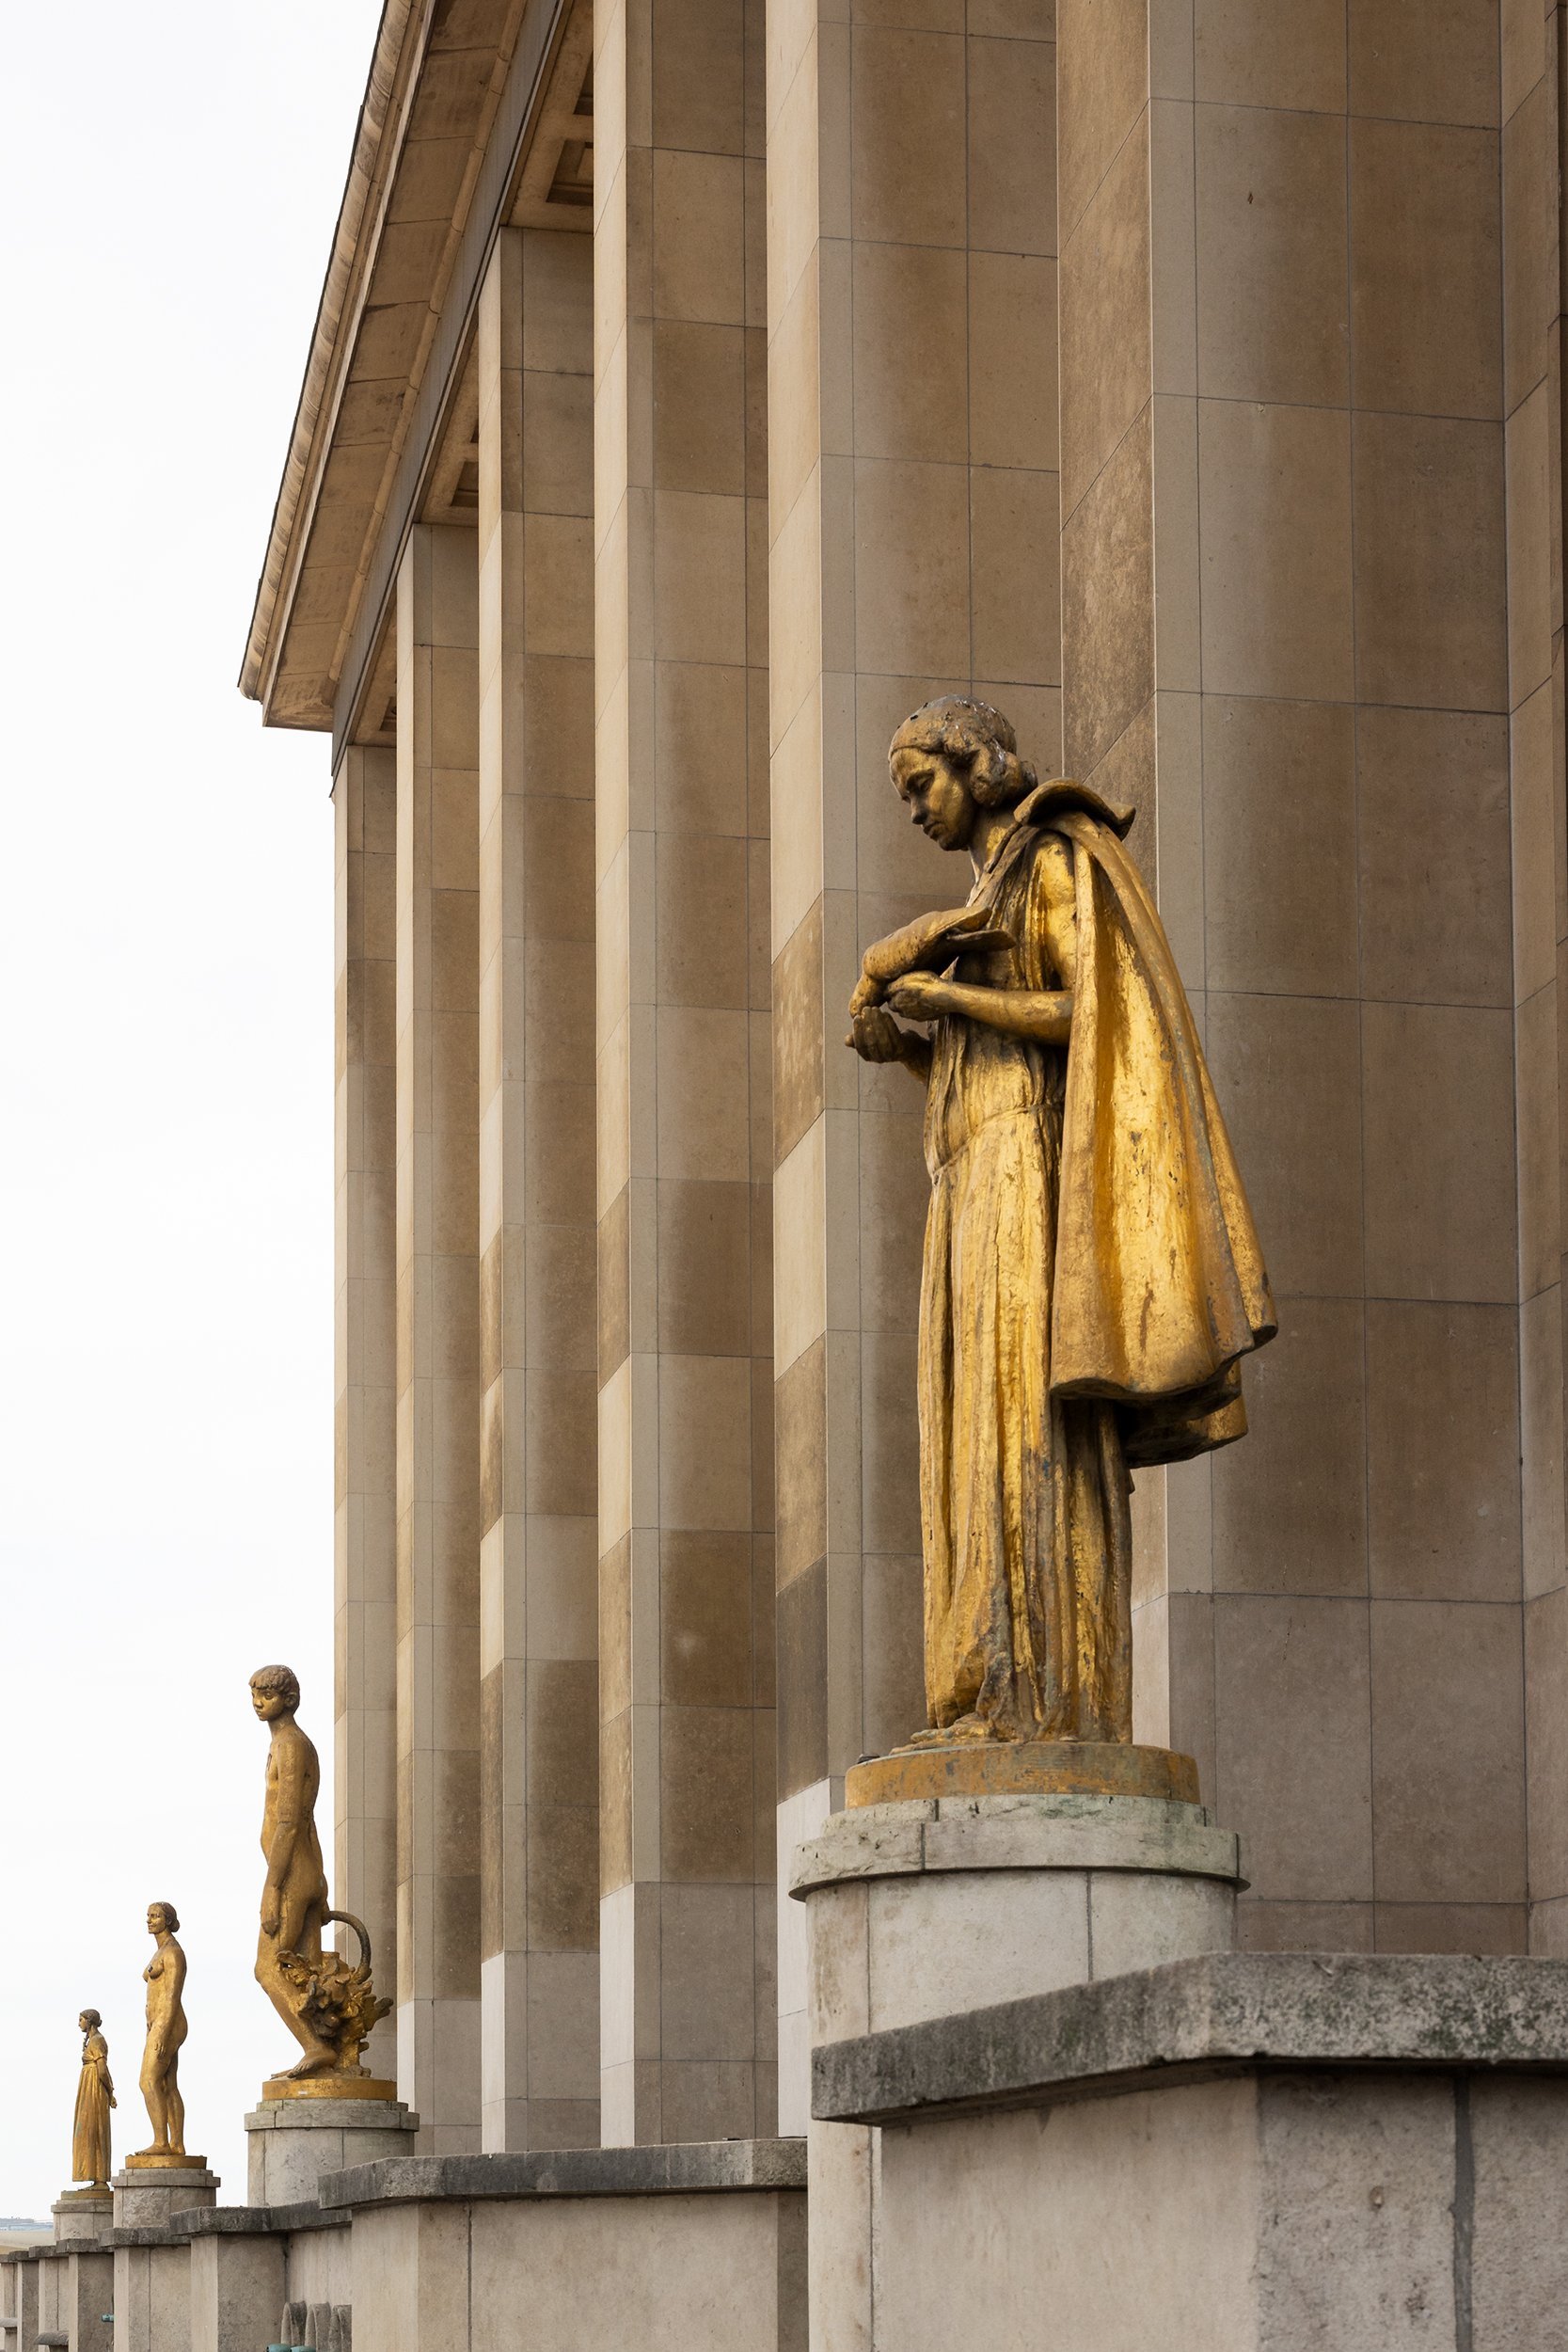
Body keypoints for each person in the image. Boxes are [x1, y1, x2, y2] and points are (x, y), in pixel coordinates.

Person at [848, 697, 1274, 1748]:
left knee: (1019, 1423)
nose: (913, 810)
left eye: (922, 784)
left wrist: (953, 1003)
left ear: (977, 766)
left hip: (1027, 1178)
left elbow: (1090, 1010)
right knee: (966, 1436)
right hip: (966, 1181)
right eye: (904, 795)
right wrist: (908, 1046)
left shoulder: (1048, 860)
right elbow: (987, 1053)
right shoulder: (979, 900)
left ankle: (1036, 1697)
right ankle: (976, 1688)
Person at [250, 1663, 335, 2075]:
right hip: (302, 1872)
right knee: (307, 1974)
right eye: (254, 1694)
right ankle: (324, 2057)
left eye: (267, 1694)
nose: (257, 1702)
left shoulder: (290, 1744)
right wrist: (320, 1882)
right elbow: (310, 1819)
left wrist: (272, 1887)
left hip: (288, 1875)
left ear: (289, 1699)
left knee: (266, 1969)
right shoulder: (291, 1744)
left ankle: (315, 2047)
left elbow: (290, 1820)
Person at [134, 1902, 188, 2155]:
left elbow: (172, 1996)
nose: (149, 1920)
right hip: (158, 2023)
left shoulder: (173, 1953)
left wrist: (163, 2031)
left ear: (167, 1920)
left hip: (168, 2022)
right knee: (168, 2083)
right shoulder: (161, 1951)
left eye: (155, 1916)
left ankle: (161, 2142)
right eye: (148, 1916)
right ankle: (176, 2144)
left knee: (148, 2081)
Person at [71, 2010, 115, 2186]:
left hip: (94, 2087)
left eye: (80, 2019)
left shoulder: (97, 2040)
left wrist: (110, 2092)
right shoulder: (92, 2040)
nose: (78, 2023)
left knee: (95, 2128)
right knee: (88, 2129)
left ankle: (100, 2178)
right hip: (89, 2085)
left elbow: (102, 2070)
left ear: (89, 2021)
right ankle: (94, 2176)